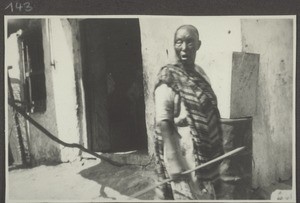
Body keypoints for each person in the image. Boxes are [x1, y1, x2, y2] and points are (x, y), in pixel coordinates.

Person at [154, 25, 224, 200]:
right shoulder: (168, 78)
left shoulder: (200, 74)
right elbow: (164, 121)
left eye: (189, 42)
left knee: (206, 194)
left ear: (198, 45)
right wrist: (174, 161)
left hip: (205, 151)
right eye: (179, 42)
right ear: (173, 45)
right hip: (182, 151)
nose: (184, 48)